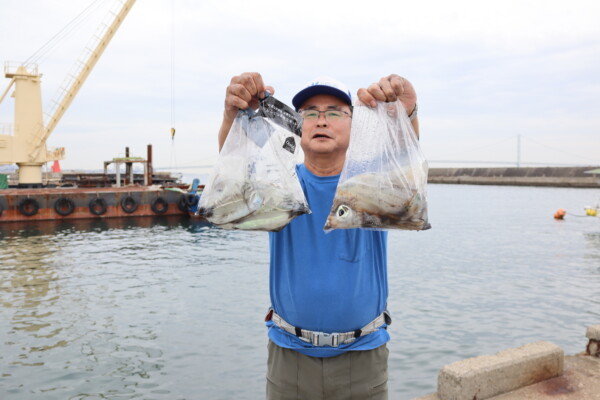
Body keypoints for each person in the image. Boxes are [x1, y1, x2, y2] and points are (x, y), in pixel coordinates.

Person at [218, 73, 419, 400]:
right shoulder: (280, 186)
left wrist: (406, 114)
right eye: (310, 113)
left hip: (364, 355)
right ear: (297, 127)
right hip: (289, 357)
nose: (321, 120)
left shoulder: (373, 185)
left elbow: (404, 159)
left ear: (354, 126)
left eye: (334, 112)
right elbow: (235, 168)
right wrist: (232, 114)